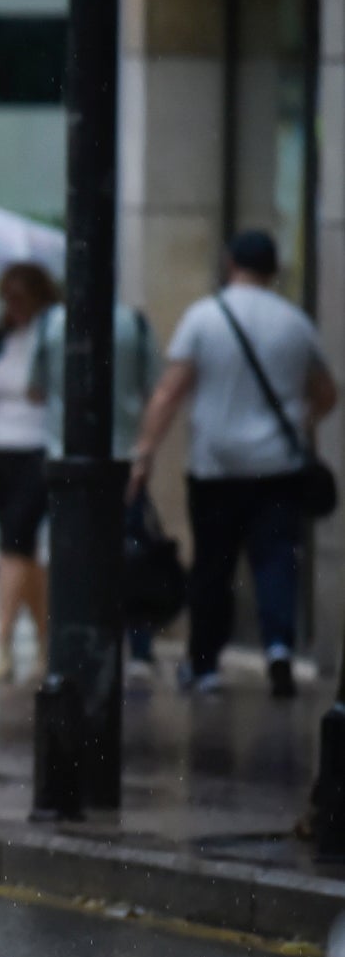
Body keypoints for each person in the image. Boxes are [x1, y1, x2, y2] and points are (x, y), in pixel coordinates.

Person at [130, 229, 337, 698]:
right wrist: (299, 421)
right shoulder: (294, 322)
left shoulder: (204, 318)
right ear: (274, 270)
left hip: (216, 466)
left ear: (229, 264)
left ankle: (205, 666)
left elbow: (170, 391)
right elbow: (326, 392)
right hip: (278, 467)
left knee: (213, 566)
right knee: (275, 562)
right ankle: (280, 647)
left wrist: (145, 451)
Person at [37, 298, 161, 679]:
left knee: (69, 554)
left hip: (64, 454)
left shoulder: (51, 323)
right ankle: (138, 647)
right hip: (124, 455)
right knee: (131, 551)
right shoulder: (135, 325)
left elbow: (34, 386)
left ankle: (70, 642)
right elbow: (153, 387)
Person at [0, 261, 61, 683]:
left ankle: (0, 644)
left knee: (12, 544)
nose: (14, 306)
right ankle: (45, 640)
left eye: (22, 297)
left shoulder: (54, 337)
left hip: (38, 449)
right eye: (9, 298)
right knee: (23, 554)